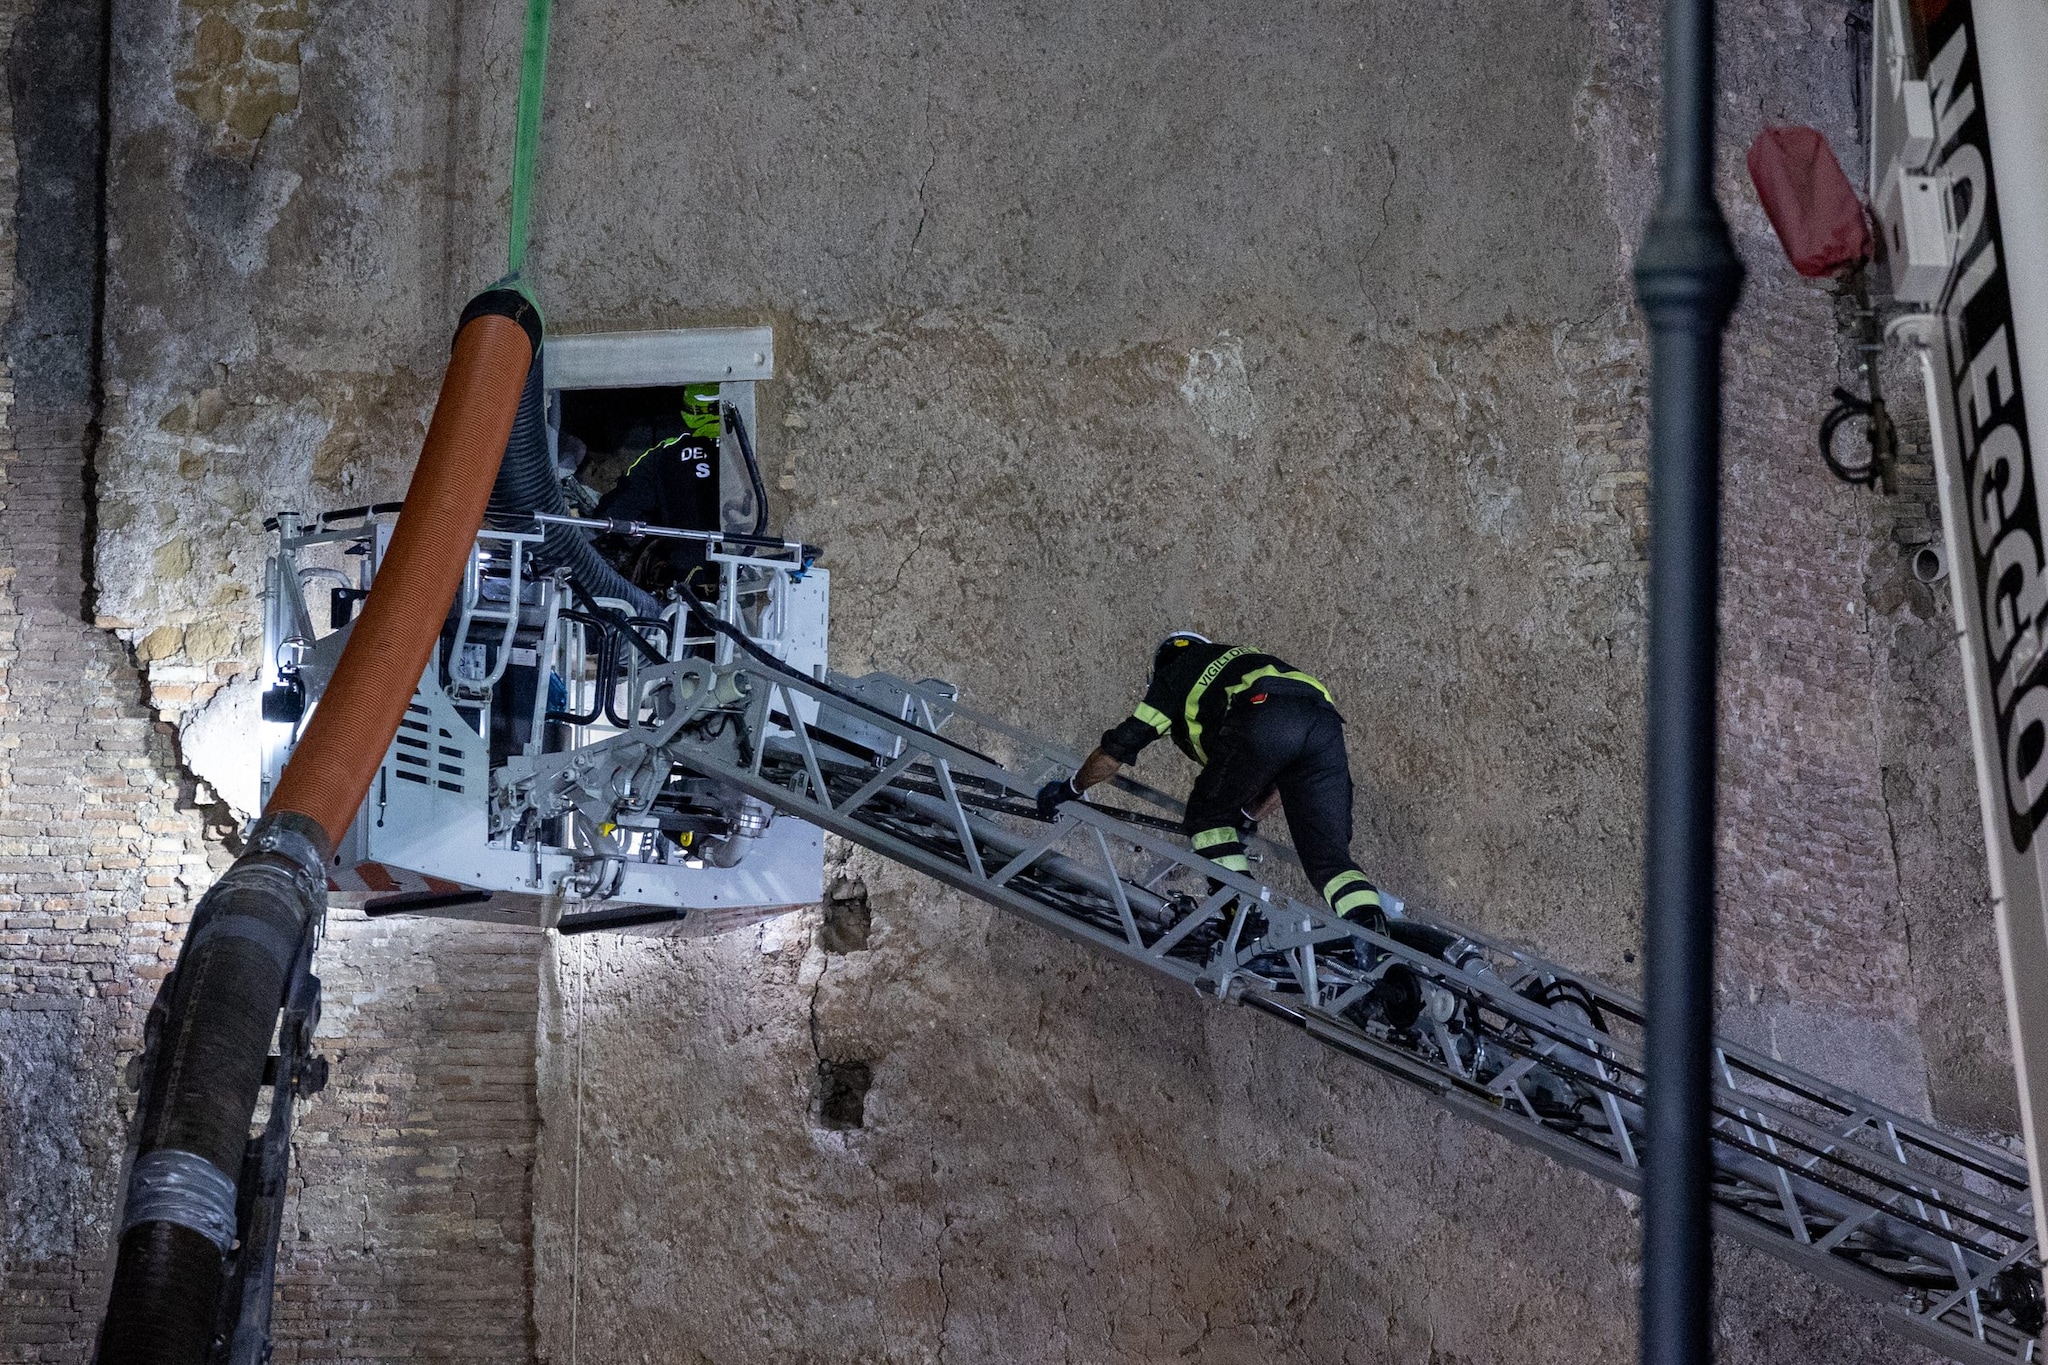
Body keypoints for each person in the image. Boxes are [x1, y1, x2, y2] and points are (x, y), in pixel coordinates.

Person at [1037, 631, 1385, 942]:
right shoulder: (1238, 658)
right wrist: (1248, 814)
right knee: (1329, 861)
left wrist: (1070, 788)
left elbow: (1116, 749)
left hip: (1262, 711)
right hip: (1324, 724)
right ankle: (1376, 940)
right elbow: (1285, 771)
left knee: (1207, 821)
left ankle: (1243, 917)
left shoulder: (1173, 677)